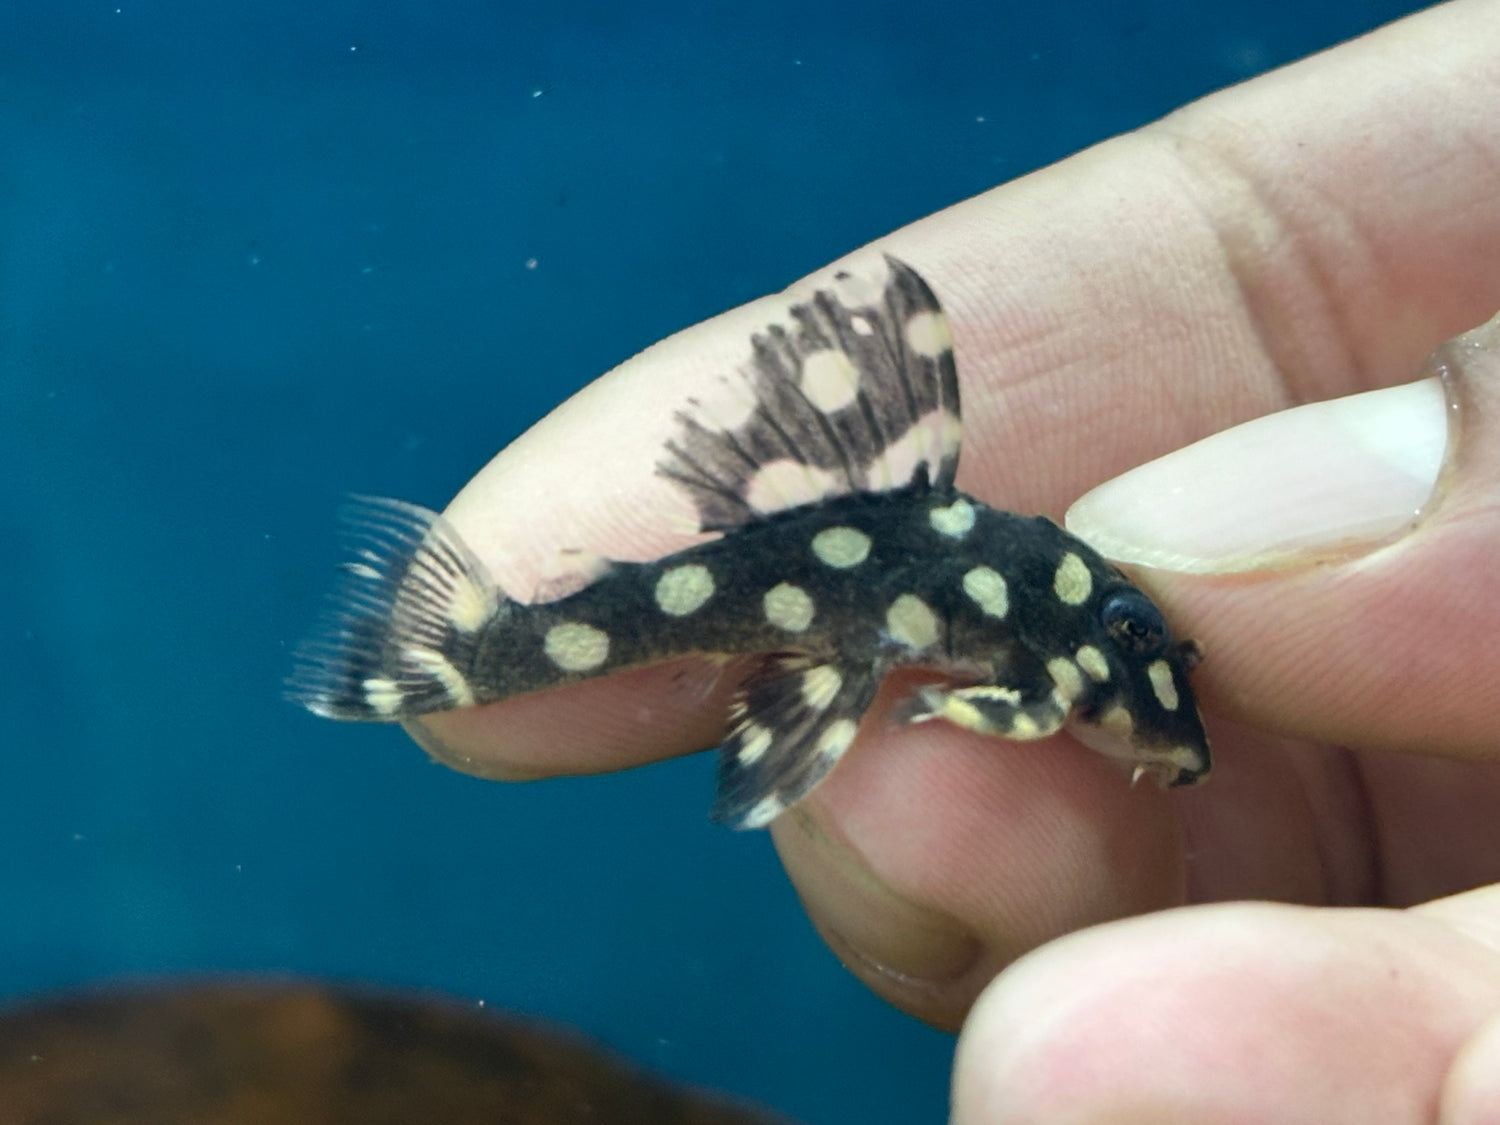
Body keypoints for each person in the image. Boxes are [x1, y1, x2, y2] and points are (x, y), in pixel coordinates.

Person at [405, 0, 1500, 1118]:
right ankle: (473, 653)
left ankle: (472, 651)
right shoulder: (1054, 660)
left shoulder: (1066, 626)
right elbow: (1013, 711)